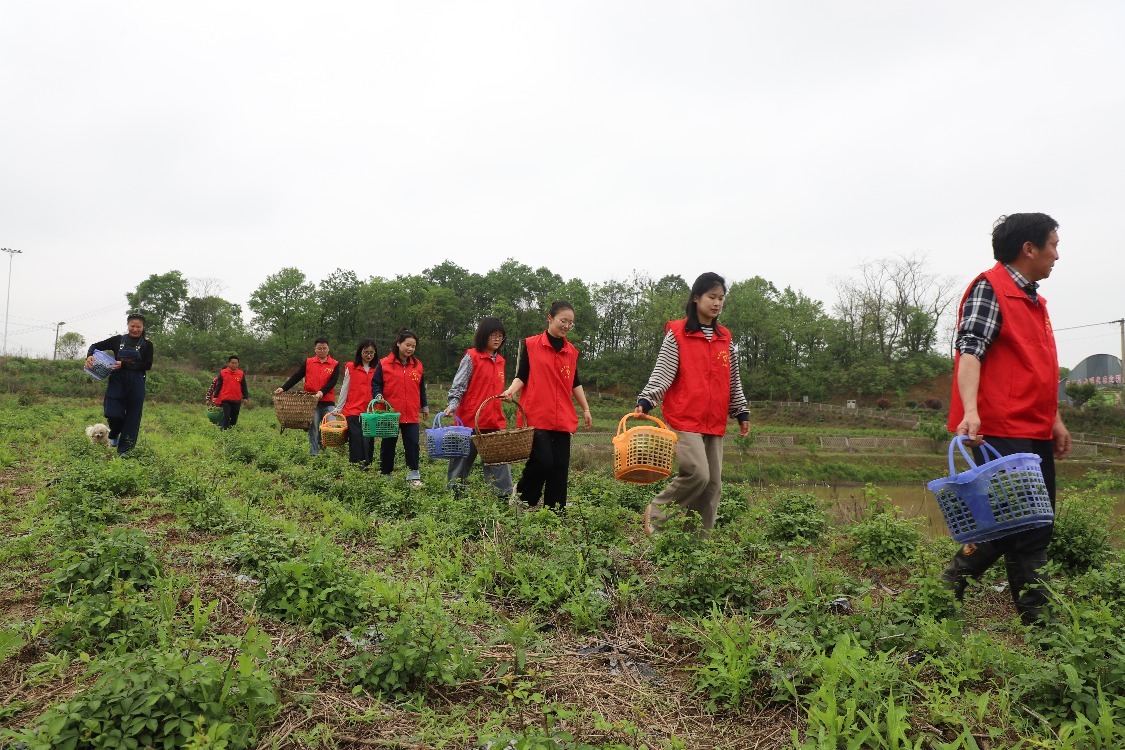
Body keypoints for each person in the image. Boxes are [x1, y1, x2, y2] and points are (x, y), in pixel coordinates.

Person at [941, 213, 1071, 626]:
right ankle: (1040, 625)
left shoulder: (1034, 300)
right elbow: (970, 351)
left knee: (1033, 521)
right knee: (1021, 524)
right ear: (1028, 249)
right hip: (1000, 427)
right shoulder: (990, 288)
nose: (1056, 254)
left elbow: (1039, 367)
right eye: (1052, 244)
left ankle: (947, 591)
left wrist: (1055, 418)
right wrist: (971, 411)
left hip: (1033, 426)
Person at [635, 272, 751, 537]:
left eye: (721, 298)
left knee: (712, 486)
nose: (717, 303)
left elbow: (733, 379)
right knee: (698, 473)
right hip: (684, 417)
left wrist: (741, 411)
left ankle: (696, 544)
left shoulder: (725, 338)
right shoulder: (678, 334)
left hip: (714, 420)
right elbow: (663, 371)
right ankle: (658, 511)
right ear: (696, 297)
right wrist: (647, 400)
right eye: (712, 297)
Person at [500, 301, 592, 511]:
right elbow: (521, 375)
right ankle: (524, 498)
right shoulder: (532, 344)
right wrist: (511, 390)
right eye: (563, 320)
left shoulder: (571, 352)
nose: (567, 325)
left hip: (562, 417)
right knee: (543, 461)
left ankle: (555, 511)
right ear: (550, 318)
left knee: (559, 467)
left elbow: (575, 383)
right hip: (536, 414)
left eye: (570, 323)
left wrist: (585, 408)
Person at [445, 317, 514, 497]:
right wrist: (453, 405)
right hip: (469, 420)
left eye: (500, 336)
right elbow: (459, 385)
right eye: (493, 335)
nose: (497, 339)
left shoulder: (501, 361)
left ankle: (503, 498)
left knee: (499, 461)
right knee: (461, 462)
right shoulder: (472, 357)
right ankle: (454, 496)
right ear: (484, 336)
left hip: (493, 421)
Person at [85, 313, 154, 454]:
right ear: (128, 325)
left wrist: (124, 364)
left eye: (138, 327)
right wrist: (90, 355)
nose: (135, 329)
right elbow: (95, 346)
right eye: (132, 326)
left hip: (137, 382)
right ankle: (115, 432)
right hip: (117, 382)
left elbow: (147, 365)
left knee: (132, 418)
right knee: (112, 412)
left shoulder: (147, 345)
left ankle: (125, 452)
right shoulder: (117, 340)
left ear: (143, 327)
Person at [372, 330, 428, 485]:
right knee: (388, 444)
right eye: (407, 345)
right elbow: (376, 383)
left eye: (413, 346)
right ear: (398, 343)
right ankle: (386, 474)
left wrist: (424, 405)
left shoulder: (417, 366)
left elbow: (421, 388)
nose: (410, 349)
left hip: (411, 411)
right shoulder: (384, 364)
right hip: (390, 412)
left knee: (412, 444)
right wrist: (378, 395)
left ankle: (413, 476)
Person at [274, 338, 341, 456]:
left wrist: (321, 392)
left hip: (328, 402)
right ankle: (314, 453)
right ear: (315, 349)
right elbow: (297, 376)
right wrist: (284, 388)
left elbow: (333, 381)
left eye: (324, 348)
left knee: (330, 426)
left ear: (328, 349)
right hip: (311, 402)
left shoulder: (334, 364)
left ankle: (322, 444)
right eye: (319, 348)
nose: (322, 350)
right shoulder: (309, 362)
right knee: (314, 426)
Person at [334, 339, 379, 467]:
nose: (369, 355)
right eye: (366, 352)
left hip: (370, 412)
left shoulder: (377, 369)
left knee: (369, 439)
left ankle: (367, 464)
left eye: (371, 353)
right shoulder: (351, 367)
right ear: (360, 352)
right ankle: (355, 465)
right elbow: (345, 388)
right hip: (353, 410)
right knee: (356, 438)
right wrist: (339, 408)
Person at [213, 355, 249, 430]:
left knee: (234, 418)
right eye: (232, 363)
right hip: (225, 399)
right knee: (226, 416)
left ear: (238, 364)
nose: (234, 365)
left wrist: (245, 397)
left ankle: (231, 430)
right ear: (229, 363)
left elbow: (244, 386)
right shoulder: (223, 372)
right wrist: (215, 397)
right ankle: (225, 432)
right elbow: (218, 385)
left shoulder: (241, 373)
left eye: (236, 363)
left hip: (236, 399)